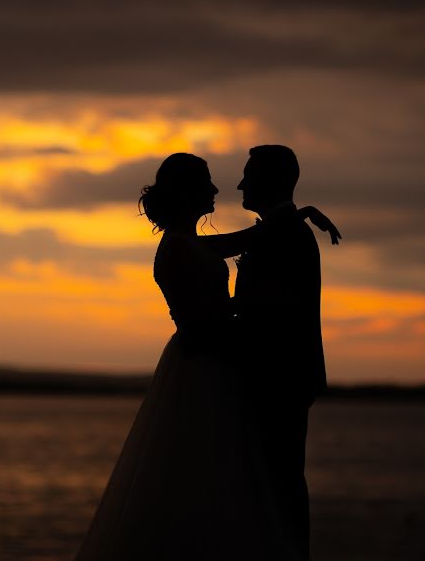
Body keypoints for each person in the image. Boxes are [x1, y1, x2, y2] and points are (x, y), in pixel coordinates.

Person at [74, 152, 339, 560]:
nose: (219, 189)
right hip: (205, 367)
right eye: (207, 183)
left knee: (240, 479)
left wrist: (297, 213)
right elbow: (205, 327)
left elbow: (243, 242)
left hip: (220, 367)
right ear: (185, 193)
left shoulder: (192, 244)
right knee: (217, 478)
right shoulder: (178, 249)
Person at [229, 144, 331, 560]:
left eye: (248, 174)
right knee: (273, 484)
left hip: (277, 381)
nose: (239, 183)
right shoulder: (281, 228)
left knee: (279, 483)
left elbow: (274, 312)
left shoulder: (285, 232)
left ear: (270, 181)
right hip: (276, 380)